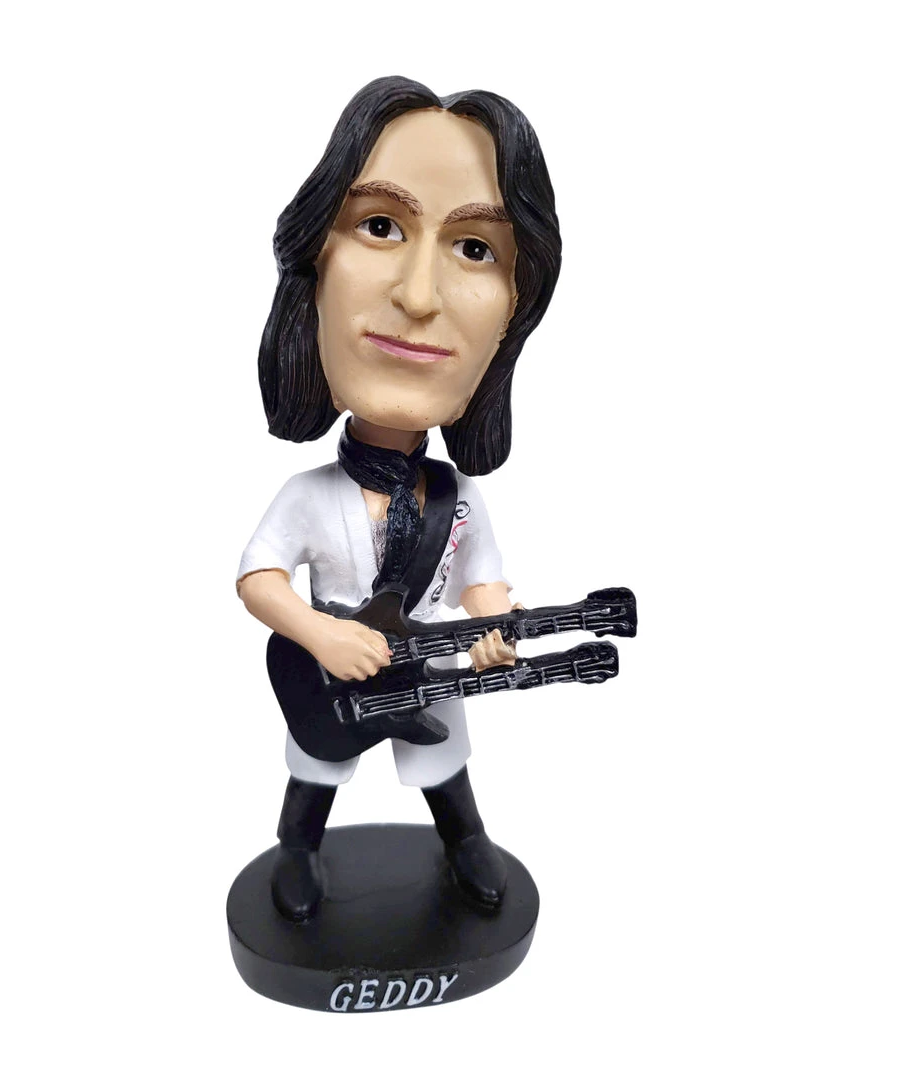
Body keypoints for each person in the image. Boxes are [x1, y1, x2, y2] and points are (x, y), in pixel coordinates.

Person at [237, 77, 562, 922]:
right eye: (379, 226)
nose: (420, 298)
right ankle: (298, 848)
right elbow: (258, 578)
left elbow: (482, 578)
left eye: (475, 248)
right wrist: (321, 633)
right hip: (333, 663)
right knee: (317, 763)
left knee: (444, 761)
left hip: (427, 662)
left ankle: (465, 839)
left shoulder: (457, 500)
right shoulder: (311, 495)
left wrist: (494, 627)